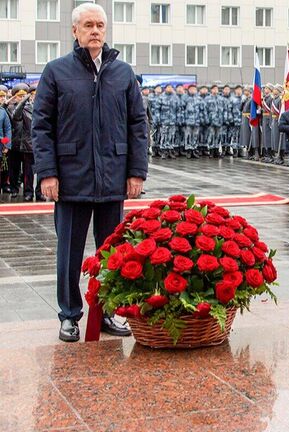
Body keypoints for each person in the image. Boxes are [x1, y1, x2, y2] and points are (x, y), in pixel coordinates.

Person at [32, 3, 148, 342]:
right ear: (75, 32)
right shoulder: (55, 71)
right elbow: (41, 127)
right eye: (88, 25)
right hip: (70, 179)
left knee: (113, 253)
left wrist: (136, 172)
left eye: (99, 25)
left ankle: (108, 310)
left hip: (113, 176)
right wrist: (48, 173)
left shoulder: (123, 73)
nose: (94, 30)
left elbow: (138, 124)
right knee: (69, 252)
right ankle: (69, 315)